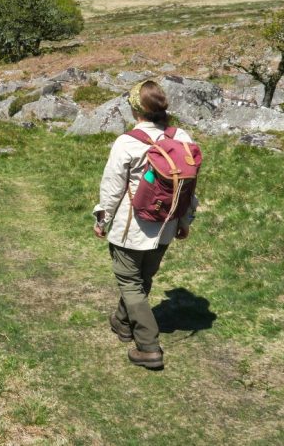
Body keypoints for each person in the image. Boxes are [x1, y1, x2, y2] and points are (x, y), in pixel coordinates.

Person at [92, 80, 198, 370]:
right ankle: (122, 323)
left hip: (132, 227)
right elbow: (190, 186)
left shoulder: (128, 142)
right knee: (143, 279)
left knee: (130, 282)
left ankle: (149, 346)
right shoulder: (183, 138)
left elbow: (112, 188)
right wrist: (185, 220)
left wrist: (102, 219)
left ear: (135, 109)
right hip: (166, 225)